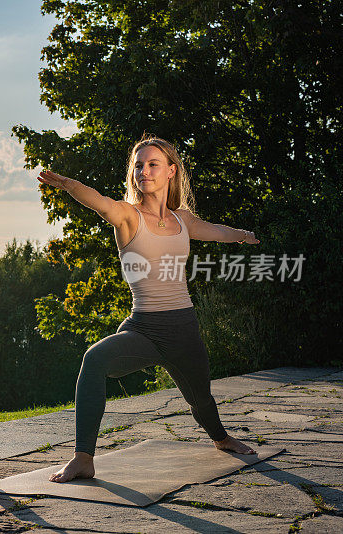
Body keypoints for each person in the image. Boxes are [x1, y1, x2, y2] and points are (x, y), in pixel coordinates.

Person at [36, 135, 260, 483]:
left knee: (201, 400)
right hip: (144, 330)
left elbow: (216, 232)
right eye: (138, 165)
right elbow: (99, 202)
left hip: (184, 328)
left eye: (153, 163)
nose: (143, 171)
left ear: (171, 170)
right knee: (94, 360)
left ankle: (222, 439)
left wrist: (245, 235)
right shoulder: (127, 216)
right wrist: (67, 184)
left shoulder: (183, 220)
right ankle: (83, 457)